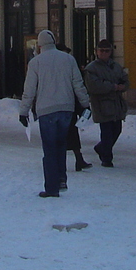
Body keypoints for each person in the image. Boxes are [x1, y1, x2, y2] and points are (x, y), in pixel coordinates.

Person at [19, 30, 90, 198]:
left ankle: (52, 187)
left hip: (46, 111)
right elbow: (78, 84)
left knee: (50, 149)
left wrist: (24, 111)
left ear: (40, 45)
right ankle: (61, 179)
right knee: (61, 146)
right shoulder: (68, 59)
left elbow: (29, 90)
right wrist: (86, 104)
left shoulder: (35, 63)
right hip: (66, 109)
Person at [84, 40, 129, 167]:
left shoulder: (115, 66)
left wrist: (123, 86)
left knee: (117, 130)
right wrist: (113, 87)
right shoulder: (91, 68)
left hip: (116, 104)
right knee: (107, 132)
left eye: (107, 51)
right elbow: (93, 86)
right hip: (102, 105)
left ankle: (101, 148)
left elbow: (125, 80)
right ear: (97, 52)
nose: (104, 53)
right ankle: (107, 158)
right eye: (101, 50)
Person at [56, 42, 92, 181]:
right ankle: (71, 160)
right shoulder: (64, 67)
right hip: (64, 103)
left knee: (71, 132)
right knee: (63, 133)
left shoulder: (67, 66)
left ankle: (78, 159)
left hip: (70, 103)